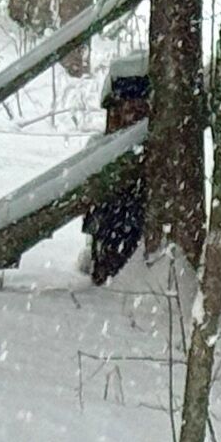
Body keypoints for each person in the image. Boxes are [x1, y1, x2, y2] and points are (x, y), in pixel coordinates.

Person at [81, 47, 150, 283]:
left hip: (127, 201)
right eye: (125, 108)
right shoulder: (106, 151)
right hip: (117, 201)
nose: (129, 114)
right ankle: (104, 264)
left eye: (137, 108)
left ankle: (107, 264)